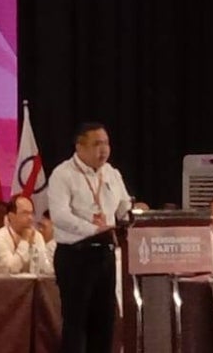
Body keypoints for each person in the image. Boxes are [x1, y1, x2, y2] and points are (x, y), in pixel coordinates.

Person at [48, 122, 136, 353]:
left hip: (105, 255)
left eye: (106, 143)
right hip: (76, 255)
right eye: (97, 144)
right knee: (77, 323)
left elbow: (124, 207)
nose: (104, 150)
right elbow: (59, 215)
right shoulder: (63, 174)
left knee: (105, 321)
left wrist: (134, 216)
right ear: (79, 147)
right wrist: (93, 229)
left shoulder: (112, 173)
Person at [0, 195, 49, 273]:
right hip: (9, 284)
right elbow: (11, 269)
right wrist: (25, 241)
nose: (30, 218)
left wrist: (32, 246)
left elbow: (44, 268)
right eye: (25, 213)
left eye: (32, 213)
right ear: (11, 216)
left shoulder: (37, 236)